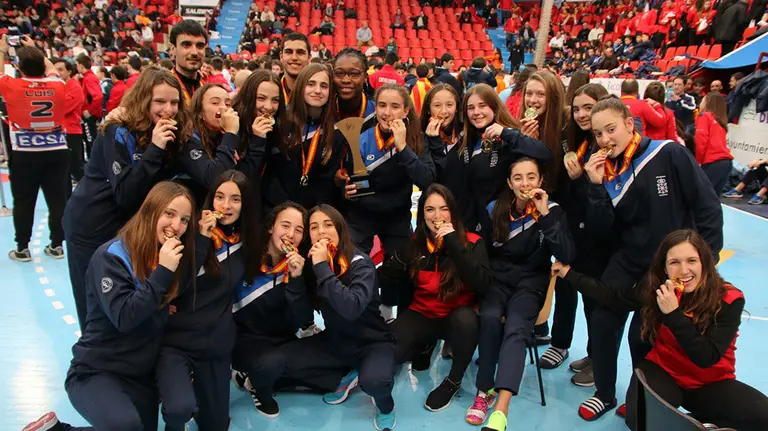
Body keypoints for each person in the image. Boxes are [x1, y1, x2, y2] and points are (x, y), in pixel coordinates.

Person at [576, 96, 723, 421]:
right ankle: (604, 393)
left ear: (630, 124)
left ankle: (640, 396)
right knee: (602, 321)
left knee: (641, 335)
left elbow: (708, 206)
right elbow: (602, 229)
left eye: (611, 129)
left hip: (666, 268)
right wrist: (596, 187)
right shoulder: (607, 172)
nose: (605, 140)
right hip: (627, 259)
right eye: (598, 134)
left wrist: (707, 261)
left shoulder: (668, 153)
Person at [553, 229, 768, 431]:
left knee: (762, 415)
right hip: (664, 371)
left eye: (692, 260)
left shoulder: (729, 299)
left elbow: (706, 357)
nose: (684, 270)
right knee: (637, 419)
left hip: (709, 381)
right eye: (675, 262)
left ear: (705, 262)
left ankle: (700, 422)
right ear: (665, 268)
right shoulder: (660, 290)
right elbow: (612, 298)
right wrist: (569, 274)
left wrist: (673, 314)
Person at [24, 181, 197, 431]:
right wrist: (163, 272)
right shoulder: (113, 256)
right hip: (96, 371)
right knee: (125, 427)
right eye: (169, 213)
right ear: (150, 211)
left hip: (138, 374)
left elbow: (155, 301)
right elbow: (125, 317)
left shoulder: (165, 254)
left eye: (184, 219)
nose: (177, 226)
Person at [63, 66, 193, 331]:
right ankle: (91, 366)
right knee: (96, 307)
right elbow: (125, 194)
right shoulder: (118, 130)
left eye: (174, 102)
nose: (168, 109)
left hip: (127, 227)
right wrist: (155, 149)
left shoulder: (173, 131)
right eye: (159, 101)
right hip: (91, 226)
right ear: (144, 99)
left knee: (129, 298)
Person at [465, 157, 575, 430]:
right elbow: (485, 253)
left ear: (540, 182)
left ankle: (501, 409)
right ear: (509, 183)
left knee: (516, 328)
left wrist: (545, 215)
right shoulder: (495, 209)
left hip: (531, 284)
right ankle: (484, 392)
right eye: (518, 178)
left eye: (531, 177)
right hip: (498, 282)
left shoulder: (554, 211)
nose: (525, 184)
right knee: (489, 317)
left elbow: (566, 254)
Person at [279, 205, 398, 431]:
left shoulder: (360, 262)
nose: (321, 232)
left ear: (340, 228)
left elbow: (351, 308)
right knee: (277, 362)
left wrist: (322, 266)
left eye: (328, 225)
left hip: (372, 342)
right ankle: (343, 376)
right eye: (314, 227)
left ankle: (385, 406)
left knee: (375, 382)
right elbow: (302, 313)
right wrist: (295, 279)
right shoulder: (312, 262)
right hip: (335, 342)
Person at [157, 171, 258, 430]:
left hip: (216, 345)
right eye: (220, 197)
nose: (226, 206)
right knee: (180, 409)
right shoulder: (187, 234)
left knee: (216, 425)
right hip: (177, 340)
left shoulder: (248, 242)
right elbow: (176, 287)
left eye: (235, 199)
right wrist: (201, 237)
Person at [380, 184, 490, 411]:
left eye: (443, 209)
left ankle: (453, 380)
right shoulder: (413, 244)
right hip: (423, 314)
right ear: (422, 214)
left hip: (456, 319)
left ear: (453, 212)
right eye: (430, 209)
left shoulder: (472, 242)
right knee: (390, 348)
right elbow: (384, 277)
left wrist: (453, 243)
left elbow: (482, 284)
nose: (437, 216)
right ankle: (424, 345)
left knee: (467, 321)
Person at [536, 84, 613, 389]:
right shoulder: (573, 138)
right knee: (565, 287)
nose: (582, 114)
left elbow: (601, 195)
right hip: (571, 229)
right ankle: (560, 341)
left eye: (588, 108)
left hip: (597, 236)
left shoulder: (605, 145)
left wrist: (579, 179)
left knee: (594, 298)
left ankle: (597, 359)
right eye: (577, 108)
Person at [341, 83, 436, 320]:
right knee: (353, 263)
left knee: (404, 266)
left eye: (395, 107)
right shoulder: (361, 138)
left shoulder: (415, 140)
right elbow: (356, 184)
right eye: (382, 105)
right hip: (363, 215)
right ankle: (366, 314)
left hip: (397, 216)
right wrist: (349, 189)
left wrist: (403, 147)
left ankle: (391, 312)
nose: (387, 112)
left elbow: (426, 180)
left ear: (406, 111)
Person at [231, 202, 312, 418]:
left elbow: (301, 318)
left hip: (282, 340)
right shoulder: (245, 256)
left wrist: (296, 280)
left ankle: (250, 376)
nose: (290, 234)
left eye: (298, 230)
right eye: (285, 226)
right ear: (270, 227)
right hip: (244, 341)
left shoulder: (298, 267)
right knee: (271, 364)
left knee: (327, 374)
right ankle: (258, 384)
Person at [439, 83, 550, 237]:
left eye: (482, 106)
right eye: (471, 108)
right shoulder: (465, 142)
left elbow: (545, 154)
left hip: (502, 225)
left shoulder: (509, 136)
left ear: (494, 107)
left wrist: (506, 134)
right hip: (471, 225)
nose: (476, 112)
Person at [0, 36, 70, 262]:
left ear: (18, 67)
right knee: (58, 199)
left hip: (25, 152)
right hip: (57, 149)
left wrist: (2, 50)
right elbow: (50, 67)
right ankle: (57, 245)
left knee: (23, 201)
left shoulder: (12, 85)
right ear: (43, 65)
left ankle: (22, 247)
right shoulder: (57, 84)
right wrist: (36, 47)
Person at [262, 63, 348, 210]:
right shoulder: (280, 120)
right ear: (301, 86)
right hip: (276, 208)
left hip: (313, 212)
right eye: (311, 84)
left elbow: (327, 182)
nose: (317, 91)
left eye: (324, 86)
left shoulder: (336, 131)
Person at [180, 83, 242, 204]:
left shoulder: (223, 136)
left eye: (228, 104)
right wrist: (230, 134)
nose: (223, 108)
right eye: (215, 103)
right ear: (200, 112)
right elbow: (213, 179)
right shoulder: (188, 138)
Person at [230, 70, 287, 186]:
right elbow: (240, 181)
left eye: (275, 100)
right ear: (248, 97)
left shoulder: (278, 126)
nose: (268, 107)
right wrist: (258, 139)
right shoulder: (232, 126)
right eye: (261, 98)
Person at [695, 92, 733, 194]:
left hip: (713, 162)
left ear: (708, 102)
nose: (700, 103)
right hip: (726, 163)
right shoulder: (720, 122)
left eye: (703, 100)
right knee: (714, 198)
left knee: (703, 196)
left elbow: (701, 139)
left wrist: (697, 161)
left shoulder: (704, 116)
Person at [332, 48, 376, 129]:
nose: (346, 80)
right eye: (339, 73)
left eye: (354, 73)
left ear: (365, 77)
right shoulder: (324, 112)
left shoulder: (376, 113)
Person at [169, 19, 209, 103]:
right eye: (186, 45)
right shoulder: (162, 87)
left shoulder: (208, 89)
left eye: (200, 46)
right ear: (173, 49)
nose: (194, 52)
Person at [76, 54, 103, 158]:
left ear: (82, 66)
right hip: (91, 114)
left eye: (77, 65)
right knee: (90, 140)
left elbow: (98, 97)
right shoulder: (87, 78)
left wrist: (90, 111)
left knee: (90, 140)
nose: (76, 67)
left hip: (90, 116)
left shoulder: (89, 79)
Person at [279, 32, 311, 103]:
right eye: (289, 52)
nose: (294, 57)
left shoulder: (318, 92)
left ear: (309, 58)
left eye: (300, 52)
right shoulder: (272, 90)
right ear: (281, 57)